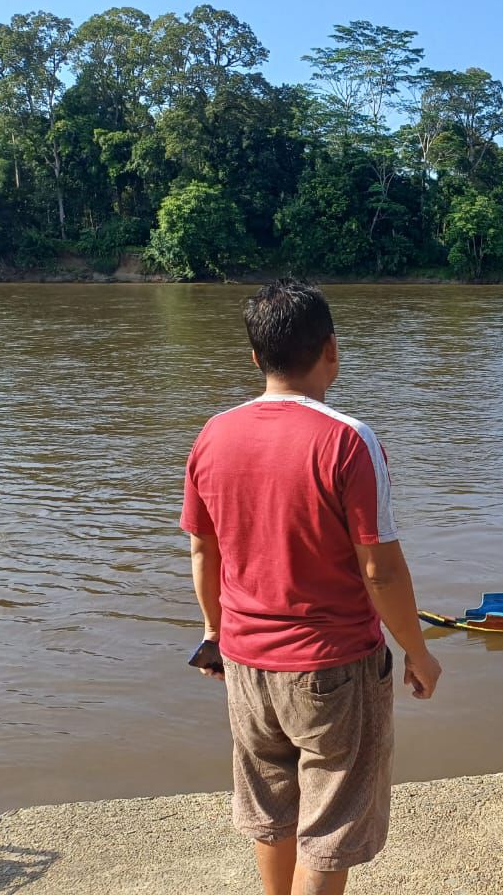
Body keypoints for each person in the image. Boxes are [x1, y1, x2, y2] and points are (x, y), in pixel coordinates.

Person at [180, 278, 442, 895]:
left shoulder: (213, 434)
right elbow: (380, 568)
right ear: (332, 349)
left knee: (270, 811)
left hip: (244, 661)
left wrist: (215, 633)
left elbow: (202, 549)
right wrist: (418, 651)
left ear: (254, 356)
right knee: (330, 822)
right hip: (333, 668)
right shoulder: (349, 440)